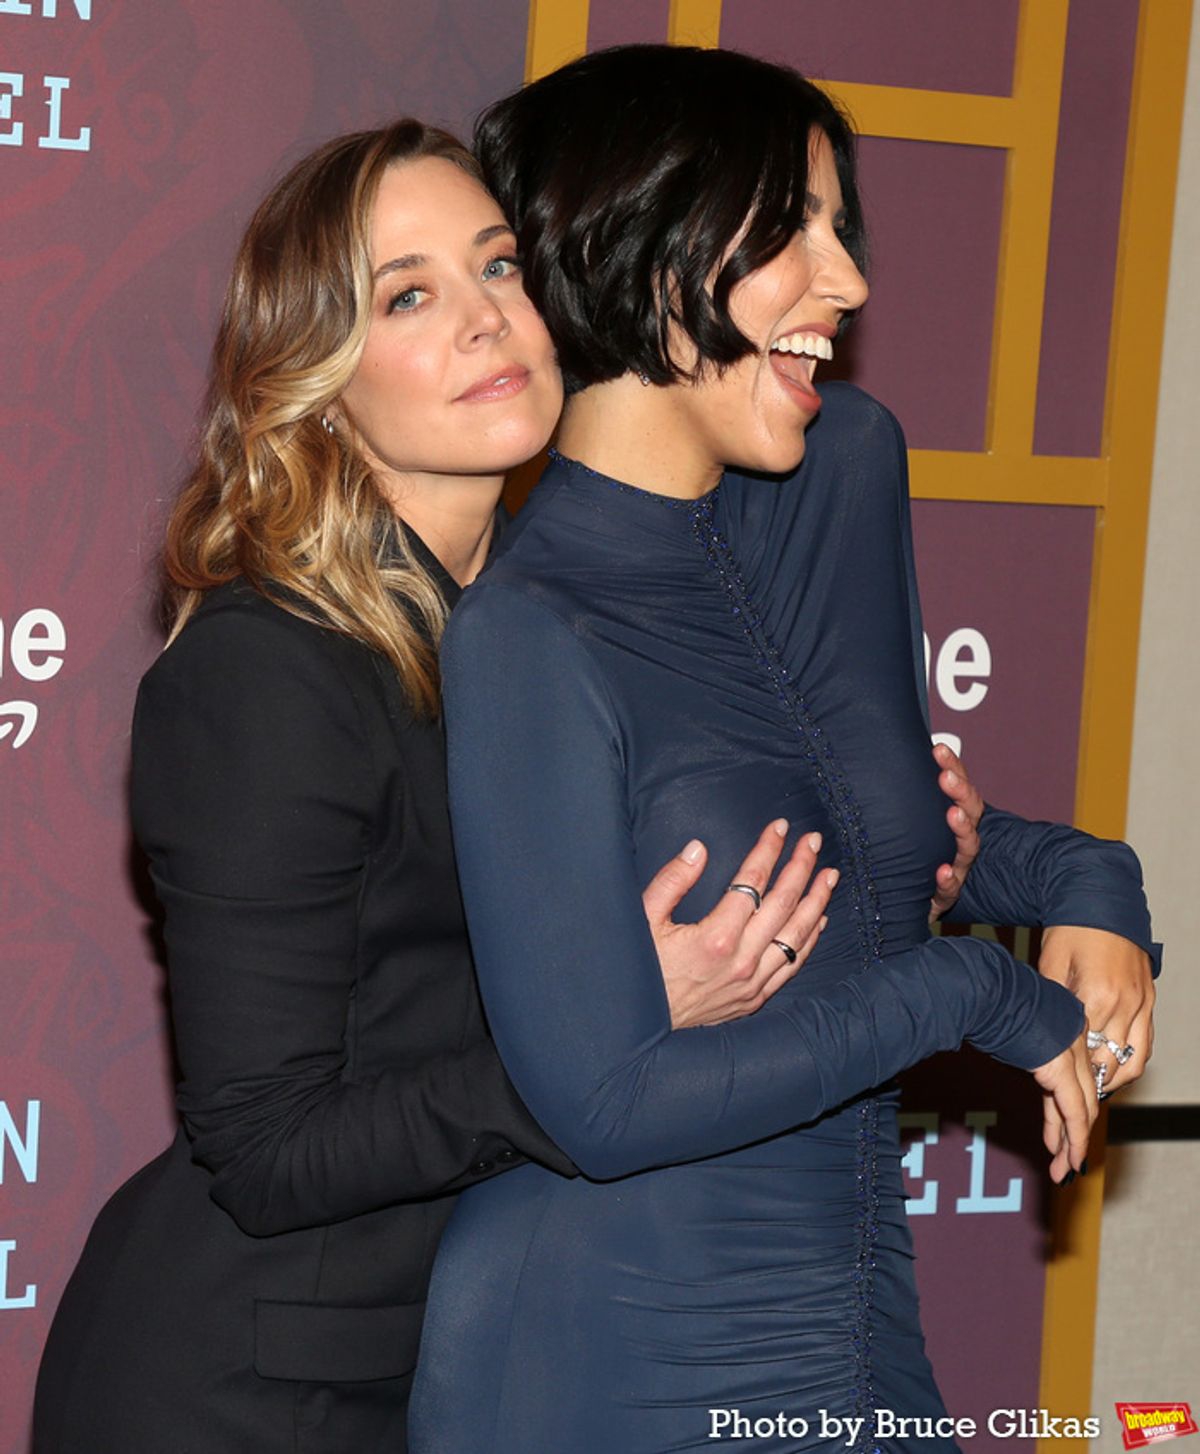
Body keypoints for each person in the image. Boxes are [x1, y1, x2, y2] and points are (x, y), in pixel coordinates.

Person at [31, 118, 859, 1454]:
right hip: (253, 1389)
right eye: (408, 295)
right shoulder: (266, 672)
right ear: (317, 378)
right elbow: (270, 1148)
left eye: (500, 266)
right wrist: (610, 1026)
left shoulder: (566, 618)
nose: (487, 319)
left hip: (482, 1354)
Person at [409, 46, 1159, 1453]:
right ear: (642, 251)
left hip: (860, 1322)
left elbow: (874, 847)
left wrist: (1088, 879)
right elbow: (606, 1102)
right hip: (613, 1355)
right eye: (791, 230)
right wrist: (967, 991)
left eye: (840, 226)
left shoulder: (839, 474)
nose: (850, 281)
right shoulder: (529, 631)